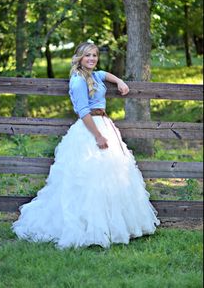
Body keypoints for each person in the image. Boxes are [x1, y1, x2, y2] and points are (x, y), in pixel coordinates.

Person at [12, 42, 160, 248]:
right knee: (88, 179)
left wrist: (120, 82)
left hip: (104, 125)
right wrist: (98, 136)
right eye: (87, 56)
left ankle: (113, 225)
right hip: (90, 130)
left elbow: (105, 74)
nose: (91, 59)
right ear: (79, 58)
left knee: (111, 176)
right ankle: (87, 226)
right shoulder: (78, 81)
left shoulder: (94, 75)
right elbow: (83, 112)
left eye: (94, 55)